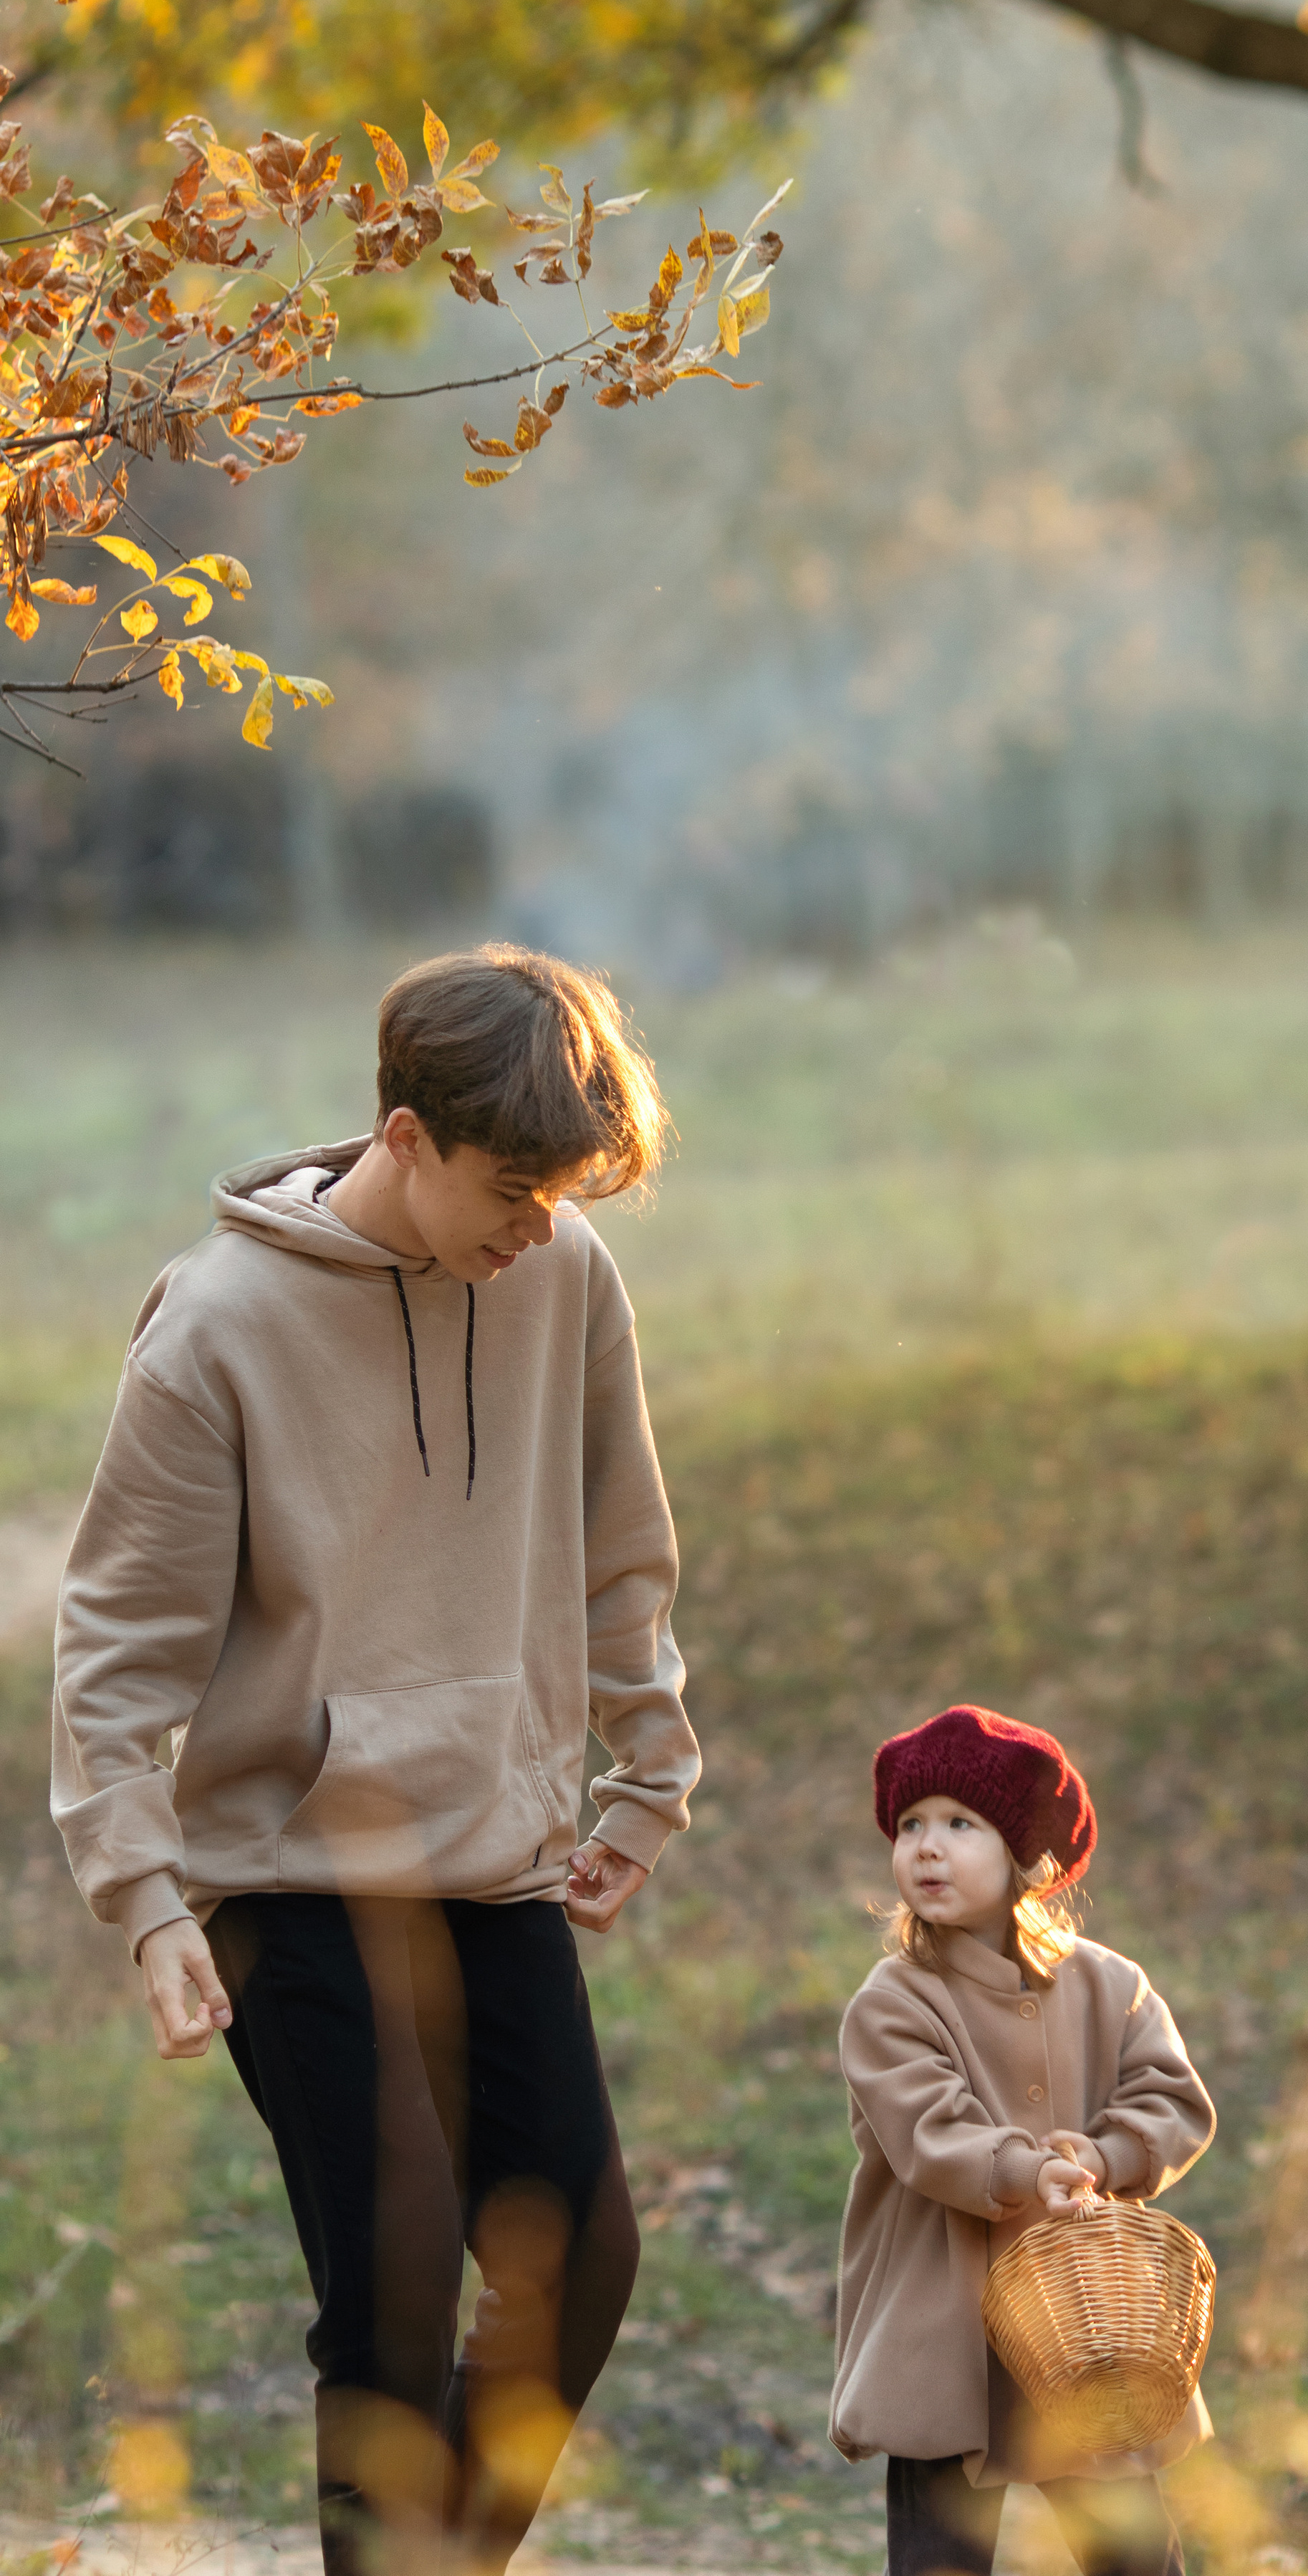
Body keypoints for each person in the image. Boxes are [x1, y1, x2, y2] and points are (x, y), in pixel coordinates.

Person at [51, 944, 701, 2576]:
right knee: (395, 2300)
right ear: (406, 1136)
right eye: (513, 1188)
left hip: (495, 1859)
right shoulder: (217, 1327)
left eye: (566, 1193)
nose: (539, 1225)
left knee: (580, 2258)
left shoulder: (563, 1277)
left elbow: (619, 1543)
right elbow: (118, 1647)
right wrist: (145, 1900)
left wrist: (646, 1772)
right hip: (290, 1874)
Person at [831, 1703, 1216, 2576]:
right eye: (911, 1825)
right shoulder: (893, 2002)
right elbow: (928, 2129)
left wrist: (1105, 2156)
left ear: (1026, 1856)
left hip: (1085, 2325)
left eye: (959, 1825)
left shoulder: (1109, 1985)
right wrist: (1023, 2169)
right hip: (945, 2325)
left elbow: (1170, 2099)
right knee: (939, 2558)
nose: (926, 1848)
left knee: (1131, 2557)